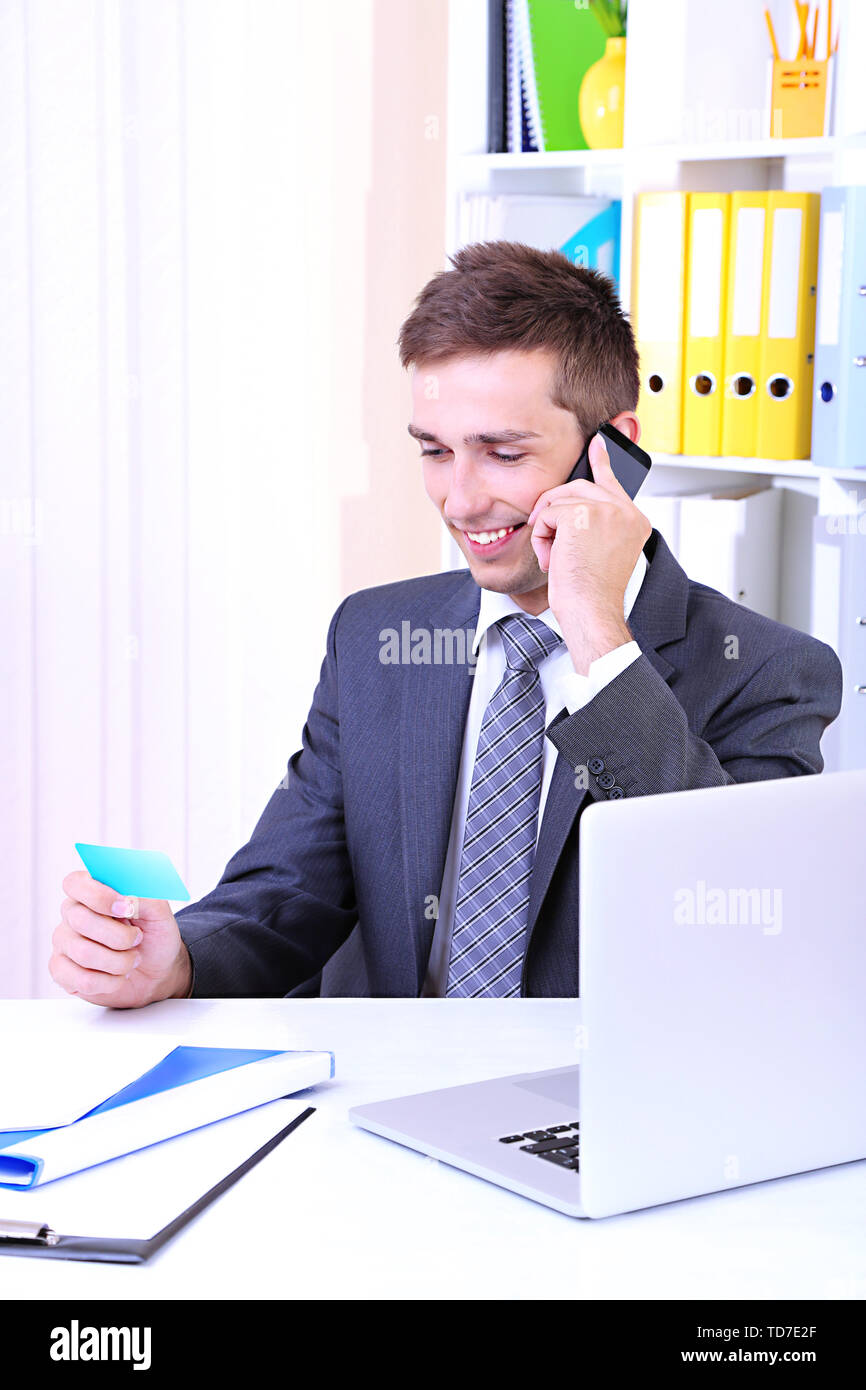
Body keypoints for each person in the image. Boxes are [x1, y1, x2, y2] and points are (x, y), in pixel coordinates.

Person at [50, 241, 843, 1005]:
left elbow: (736, 927)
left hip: (592, 1108)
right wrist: (180, 956)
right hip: (379, 1097)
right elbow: (294, 887)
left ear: (612, 454)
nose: (459, 501)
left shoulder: (770, 673)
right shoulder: (375, 636)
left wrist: (598, 636)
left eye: (501, 453)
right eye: (435, 451)